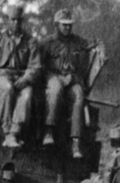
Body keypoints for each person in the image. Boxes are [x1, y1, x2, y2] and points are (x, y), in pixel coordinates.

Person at [37, 9, 97, 158]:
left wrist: (100, 50)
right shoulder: (46, 43)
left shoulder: (78, 41)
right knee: (55, 90)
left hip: (71, 78)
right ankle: (48, 131)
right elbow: (37, 64)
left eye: (70, 25)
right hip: (53, 76)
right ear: (56, 25)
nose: (67, 28)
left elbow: (95, 43)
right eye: (64, 25)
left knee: (79, 95)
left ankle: (75, 142)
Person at [0, 5, 36, 148]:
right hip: (1, 76)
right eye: (12, 20)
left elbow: (35, 66)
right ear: (7, 20)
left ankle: (14, 133)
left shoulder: (30, 41)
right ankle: (6, 131)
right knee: (7, 88)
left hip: (21, 78)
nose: (15, 23)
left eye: (18, 20)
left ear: (22, 21)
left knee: (27, 95)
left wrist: (25, 79)